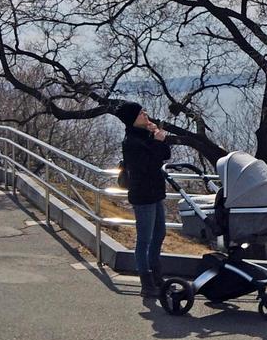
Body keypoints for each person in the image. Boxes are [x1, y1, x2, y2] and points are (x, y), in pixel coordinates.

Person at [66, 99, 222, 305]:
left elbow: (163, 156)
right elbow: (147, 166)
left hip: (155, 193)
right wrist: (157, 141)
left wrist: (159, 138)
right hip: (143, 196)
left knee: (159, 234)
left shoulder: (145, 135)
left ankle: (157, 276)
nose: (145, 114)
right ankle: (147, 283)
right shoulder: (131, 142)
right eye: (141, 113)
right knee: (145, 239)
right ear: (132, 120)